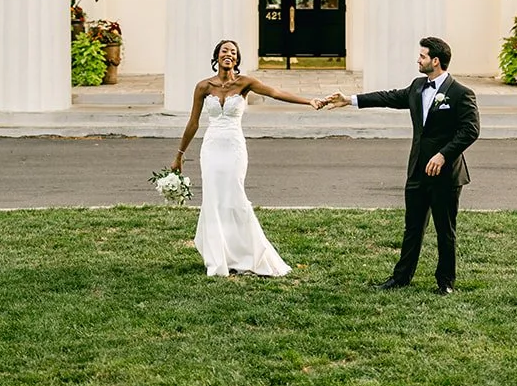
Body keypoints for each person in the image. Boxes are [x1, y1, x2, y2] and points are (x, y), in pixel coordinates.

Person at [327, 36, 479, 294]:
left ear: (435, 60)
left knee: (445, 230)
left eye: (422, 56)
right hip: (418, 171)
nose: (417, 60)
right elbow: (388, 97)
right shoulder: (418, 86)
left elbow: (470, 130)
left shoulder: (461, 93)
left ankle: (445, 282)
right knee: (412, 228)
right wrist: (350, 100)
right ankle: (401, 278)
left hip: (446, 175)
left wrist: (443, 155)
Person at [171, 38, 325, 278]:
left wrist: (309, 101)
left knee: (235, 198)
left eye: (233, 51)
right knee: (213, 199)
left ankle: (248, 254)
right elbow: (193, 122)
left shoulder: (245, 83)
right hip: (211, 148)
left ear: (237, 59)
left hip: (234, 147)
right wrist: (179, 155)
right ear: (217, 56)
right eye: (224, 51)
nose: (228, 54)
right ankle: (218, 257)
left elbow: (276, 93)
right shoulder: (203, 87)